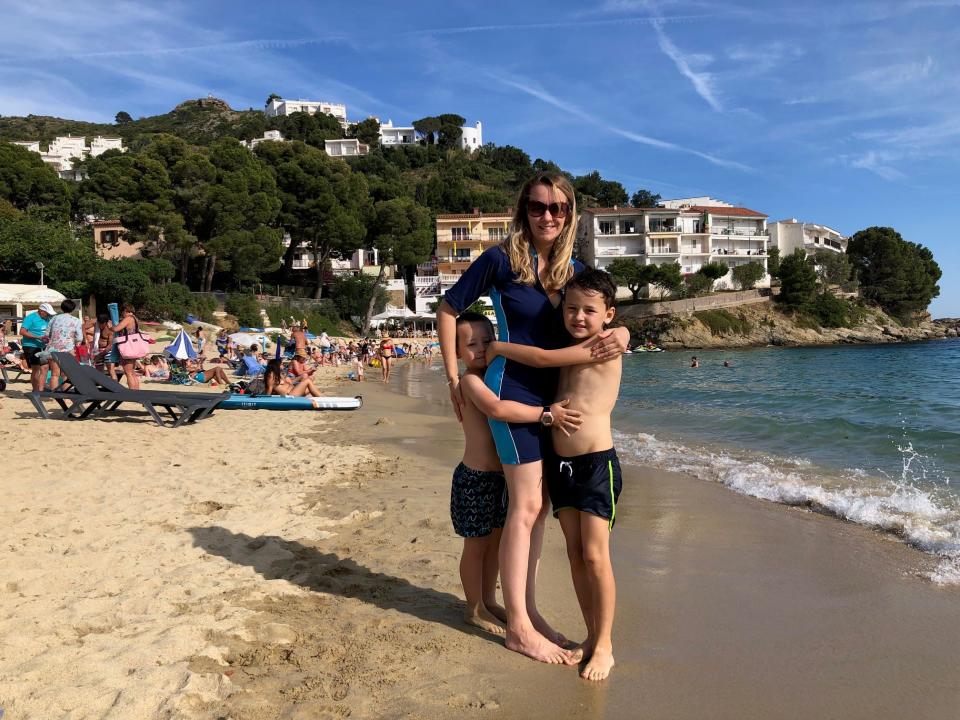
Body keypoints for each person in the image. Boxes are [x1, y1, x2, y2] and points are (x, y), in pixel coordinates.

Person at [438, 172, 627, 665]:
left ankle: (529, 610)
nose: (548, 216)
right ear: (524, 209)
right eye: (539, 207)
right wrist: (454, 378)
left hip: (552, 400)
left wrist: (623, 332)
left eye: (558, 208)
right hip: (514, 389)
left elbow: (603, 311)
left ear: (570, 215)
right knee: (524, 508)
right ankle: (519, 627)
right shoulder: (500, 260)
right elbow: (448, 308)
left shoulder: (576, 267)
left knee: (538, 508)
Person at [488, 269, 624, 681]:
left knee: (596, 556)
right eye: (571, 308)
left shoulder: (605, 346)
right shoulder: (567, 339)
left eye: (589, 311)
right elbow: (548, 356)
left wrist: (496, 345)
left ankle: (605, 645)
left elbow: (544, 360)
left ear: (608, 315)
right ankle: (590, 634)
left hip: (596, 465)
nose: (579, 317)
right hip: (561, 466)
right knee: (574, 555)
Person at [453, 312, 582, 635]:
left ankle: (489, 599)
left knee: (496, 544)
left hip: (500, 479)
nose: (481, 349)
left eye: (486, 341)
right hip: (476, 478)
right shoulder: (468, 381)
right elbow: (497, 409)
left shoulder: (495, 376)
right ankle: (474, 607)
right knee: (476, 545)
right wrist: (546, 414)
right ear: (456, 352)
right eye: (471, 344)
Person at [44, 299, 84, 390]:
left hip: (52, 349)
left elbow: (47, 334)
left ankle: (55, 396)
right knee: (66, 375)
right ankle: (66, 393)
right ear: (73, 309)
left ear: (62, 308)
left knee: (54, 374)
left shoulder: (54, 319)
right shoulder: (76, 320)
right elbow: (79, 338)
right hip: (67, 350)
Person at [112, 304, 147, 390]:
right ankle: (136, 391)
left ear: (126, 311)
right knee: (132, 372)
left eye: (123, 312)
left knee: (128, 373)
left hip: (128, 347)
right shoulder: (135, 318)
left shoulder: (128, 318)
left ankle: (132, 393)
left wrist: (111, 327)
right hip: (134, 347)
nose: (122, 314)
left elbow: (116, 329)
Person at [20, 303, 54, 392]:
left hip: (43, 346)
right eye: (47, 313)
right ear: (41, 311)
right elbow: (22, 331)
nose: (49, 315)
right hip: (31, 346)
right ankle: (35, 391)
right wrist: (38, 337)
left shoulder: (48, 318)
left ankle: (41, 389)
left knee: (45, 367)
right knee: (36, 369)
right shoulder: (30, 318)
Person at [95, 312, 117, 380]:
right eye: (99, 323)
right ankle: (102, 386)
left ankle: (116, 388)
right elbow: (83, 326)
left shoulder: (110, 330)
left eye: (102, 324)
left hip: (108, 352)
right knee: (98, 372)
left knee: (111, 370)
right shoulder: (96, 325)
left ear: (106, 322)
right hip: (99, 350)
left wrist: (100, 355)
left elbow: (110, 345)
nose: (100, 325)